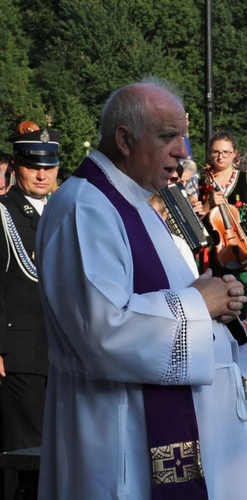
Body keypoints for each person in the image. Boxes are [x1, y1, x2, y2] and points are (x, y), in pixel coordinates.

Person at [35, 80, 247, 499]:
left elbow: (161, 295)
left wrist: (214, 301)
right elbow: (101, 331)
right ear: (124, 139)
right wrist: (196, 303)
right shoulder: (85, 207)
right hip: (119, 434)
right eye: (167, 137)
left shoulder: (137, 200)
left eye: (183, 137)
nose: (183, 152)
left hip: (165, 425)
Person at [0, 123, 59, 500]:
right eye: (32, 164)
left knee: (58, 450)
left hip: (64, 352)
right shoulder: (4, 214)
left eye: (49, 165)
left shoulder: (64, 209)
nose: (42, 173)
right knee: (24, 453)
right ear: (16, 167)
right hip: (20, 352)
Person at [201, 131, 247, 308]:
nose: (220, 157)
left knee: (246, 306)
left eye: (225, 152)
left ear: (235, 153)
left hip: (242, 251)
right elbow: (191, 219)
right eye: (215, 152)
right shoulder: (197, 181)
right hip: (210, 253)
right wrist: (208, 204)